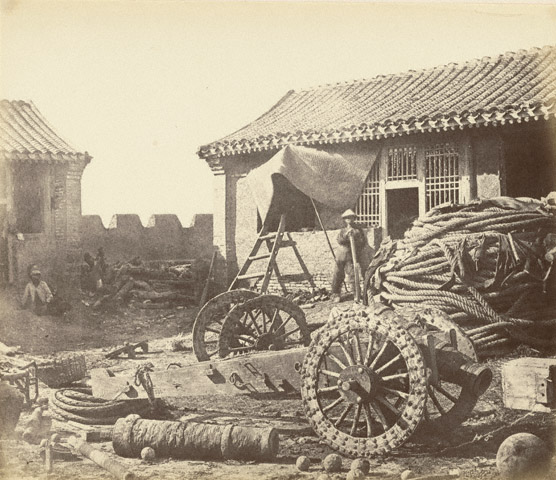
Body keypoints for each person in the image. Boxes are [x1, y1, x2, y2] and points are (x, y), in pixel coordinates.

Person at [331, 209, 365, 303]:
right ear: (345, 220)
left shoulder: (358, 230)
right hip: (341, 256)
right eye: (347, 218)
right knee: (337, 275)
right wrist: (346, 235)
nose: (349, 219)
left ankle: (356, 294)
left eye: (351, 217)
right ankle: (335, 294)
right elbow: (339, 240)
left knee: (353, 275)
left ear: (354, 219)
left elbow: (363, 242)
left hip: (351, 256)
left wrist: (355, 237)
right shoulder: (343, 230)